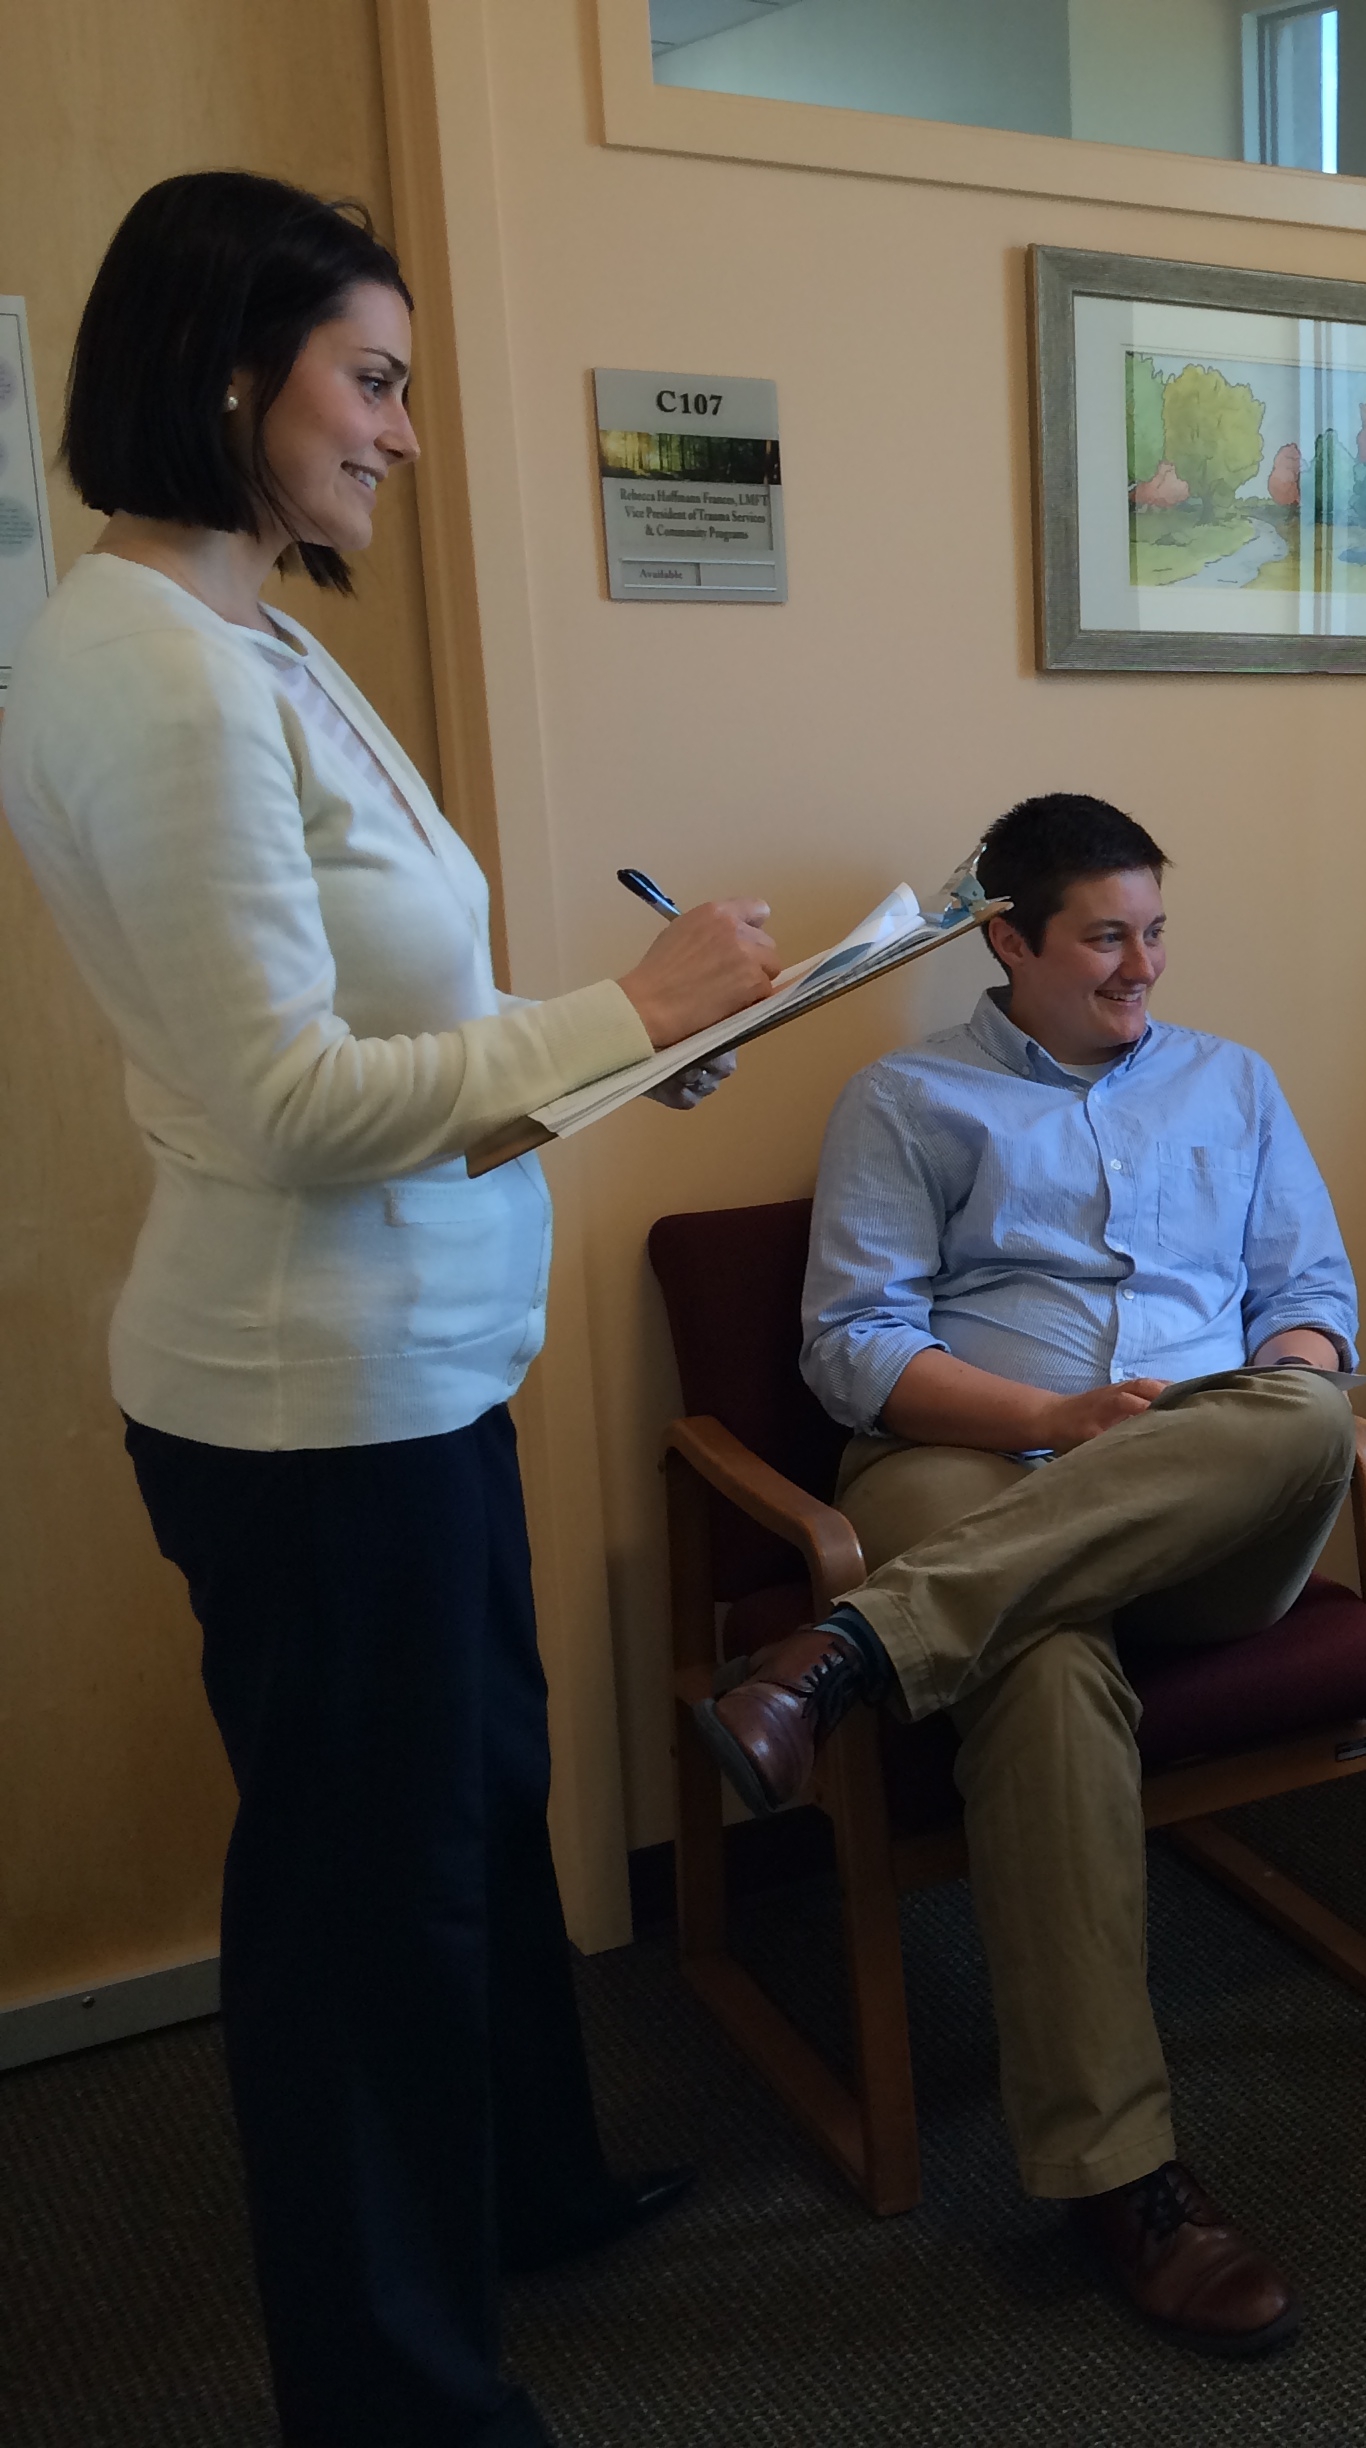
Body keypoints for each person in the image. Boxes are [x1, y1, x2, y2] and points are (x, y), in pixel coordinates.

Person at [0, 173, 783, 2446]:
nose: (404, 434)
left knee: (479, 1812)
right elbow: (291, 1097)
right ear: (232, 374)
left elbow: (395, 1022)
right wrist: (626, 999)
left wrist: (624, 1039)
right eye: (377, 378)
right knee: (363, 1909)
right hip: (303, 1396)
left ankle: (520, 2184)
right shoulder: (149, 663)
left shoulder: (244, 626)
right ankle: (394, 2390)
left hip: (415, 1366)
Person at [690, 792, 1358, 2359]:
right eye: (1106, 937)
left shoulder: (1233, 1085)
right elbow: (853, 1350)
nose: (1144, 968)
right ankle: (1126, 2179)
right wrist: (1054, 1418)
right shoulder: (906, 1099)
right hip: (963, 1472)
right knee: (1044, 1665)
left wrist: (1252, 1392)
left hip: (1199, 1495)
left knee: (1309, 1415)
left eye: (1155, 931)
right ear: (1007, 941)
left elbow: (1310, 1296)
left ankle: (845, 1652)